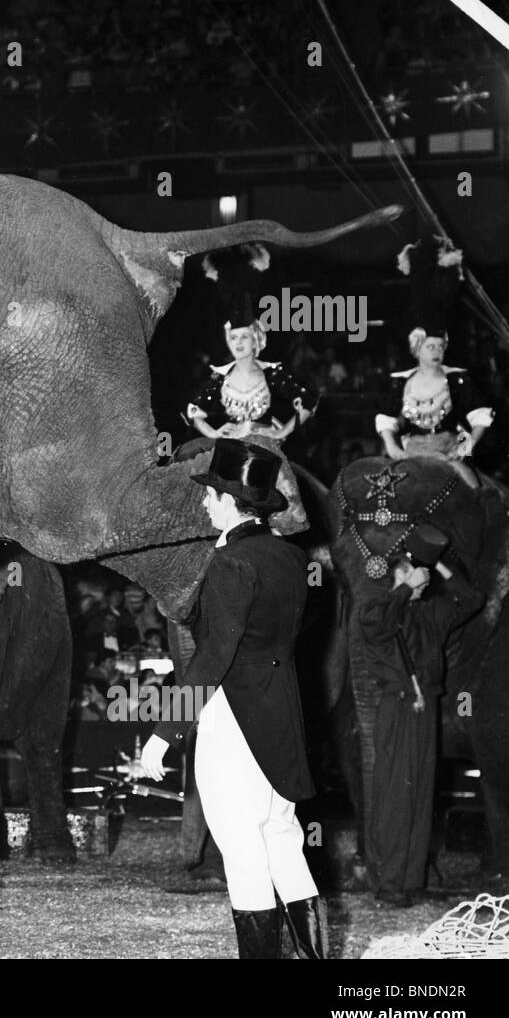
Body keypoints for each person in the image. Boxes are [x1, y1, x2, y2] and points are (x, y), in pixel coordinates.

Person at [140, 438, 325, 958]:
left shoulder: (229, 564)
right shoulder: (290, 558)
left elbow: (214, 656)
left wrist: (164, 734)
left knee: (243, 853)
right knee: (284, 842)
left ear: (229, 502)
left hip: (234, 720)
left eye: (211, 496)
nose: (204, 504)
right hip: (283, 714)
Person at [358, 523, 483, 907]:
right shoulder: (378, 612)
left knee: (419, 796)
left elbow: (471, 599)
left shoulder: (430, 615)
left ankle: (411, 880)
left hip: (425, 709)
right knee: (395, 796)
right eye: (415, 579)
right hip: (396, 708)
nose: (424, 585)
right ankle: (388, 882)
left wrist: (438, 564)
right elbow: (378, 623)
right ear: (398, 577)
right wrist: (404, 585)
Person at [375, 237, 493, 488]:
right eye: (430, 346)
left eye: (440, 346)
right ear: (417, 349)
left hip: (449, 449)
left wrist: (462, 450)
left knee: (474, 489)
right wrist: (393, 448)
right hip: (411, 452)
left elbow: (480, 419)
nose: (437, 351)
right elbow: (386, 419)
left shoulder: (457, 378)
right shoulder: (402, 380)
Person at [185, 244, 315, 446]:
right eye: (234, 338)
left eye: (244, 337)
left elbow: (308, 401)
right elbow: (193, 410)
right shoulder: (220, 376)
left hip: (264, 451)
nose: (238, 343)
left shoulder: (272, 373)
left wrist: (279, 433)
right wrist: (213, 433)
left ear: (256, 340)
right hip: (228, 450)